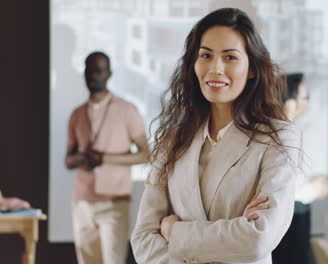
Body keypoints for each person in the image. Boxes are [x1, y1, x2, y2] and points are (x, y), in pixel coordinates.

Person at [131, 8, 302, 264]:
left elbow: (257, 239)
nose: (215, 69)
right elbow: (144, 238)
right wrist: (233, 233)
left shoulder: (278, 138)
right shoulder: (172, 141)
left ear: (252, 68)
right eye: (206, 56)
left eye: (230, 57)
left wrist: (173, 232)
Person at [65, 51, 149, 264]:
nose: (93, 75)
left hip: (114, 202)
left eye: (98, 70)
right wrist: (84, 158)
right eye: (88, 70)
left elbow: (146, 154)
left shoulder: (127, 109)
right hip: (82, 201)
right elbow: (68, 160)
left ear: (109, 73)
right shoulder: (77, 113)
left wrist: (106, 158)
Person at [272, 73, 328, 264]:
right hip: (291, 218)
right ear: (288, 101)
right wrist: (315, 189)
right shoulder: (282, 132)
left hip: (296, 215)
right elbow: (285, 186)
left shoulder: (288, 130)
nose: (307, 102)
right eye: (304, 97)